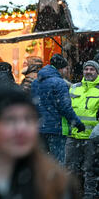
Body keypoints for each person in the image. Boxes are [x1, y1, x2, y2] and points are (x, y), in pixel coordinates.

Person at [31, 54, 82, 164]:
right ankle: (55, 181)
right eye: (66, 69)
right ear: (61, 68)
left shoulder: (35, 82)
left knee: (42, 163)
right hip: (56, 129)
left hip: (39, 128)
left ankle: (42, 181)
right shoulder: (59, 83)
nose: (67, 72)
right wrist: (77, 123)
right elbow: (65, 107)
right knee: (57, 164)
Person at [64, 60, 99, 199]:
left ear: (97, 72)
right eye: (86, 69)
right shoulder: (74, 88)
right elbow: (66, 108)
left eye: (92, 69)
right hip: (73, 136)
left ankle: (89, 196)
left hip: (92, 138)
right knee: (70, 169)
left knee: (90, 170)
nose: (88, 72)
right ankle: (73, 194)